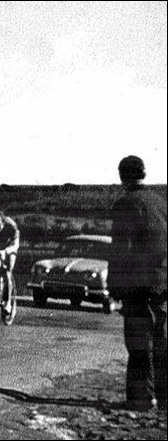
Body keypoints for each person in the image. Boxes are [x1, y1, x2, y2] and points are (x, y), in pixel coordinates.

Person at [108, 155, 167, 412]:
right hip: (162, 283)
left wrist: (114, 288)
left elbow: (120, 249)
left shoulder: (126, 204)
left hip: (137, 285)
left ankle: (143, 398)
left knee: (139, 344)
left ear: (122, 176)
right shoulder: (161, 202)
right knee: (161, 341)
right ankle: (163, 397)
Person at [0, 209, 20, 314]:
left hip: (10, 249)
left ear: (2, 219)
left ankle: (8, 302)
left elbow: (15, 244)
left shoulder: (10, 226)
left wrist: (6, 251)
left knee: (7, 272)